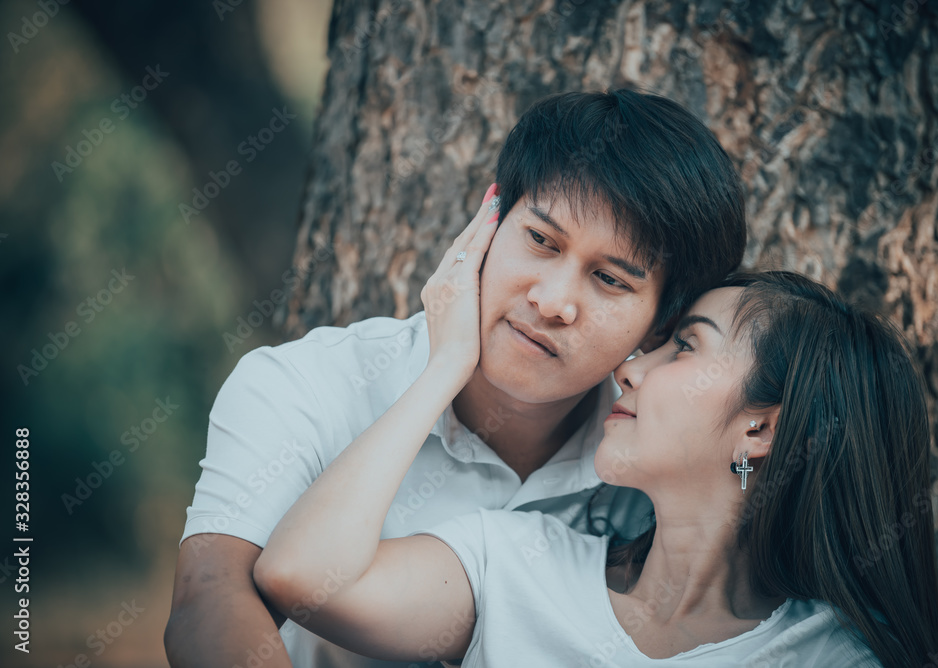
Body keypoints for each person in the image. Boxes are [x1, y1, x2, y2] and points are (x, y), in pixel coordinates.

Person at [164, 89, 748, 667]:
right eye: (541, 241)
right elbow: (208, 601)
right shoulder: (305, 383)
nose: (551, 302)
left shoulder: (651, 455)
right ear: (488, 223)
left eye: (611, 280)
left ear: (661, 323)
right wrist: (442, 372)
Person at [254, 266, 938, 668]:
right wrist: (445, 367)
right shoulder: (515, 563)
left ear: (760, 426)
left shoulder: (831, 658)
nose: (629, 367)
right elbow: (302, 577)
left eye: (682, 349)